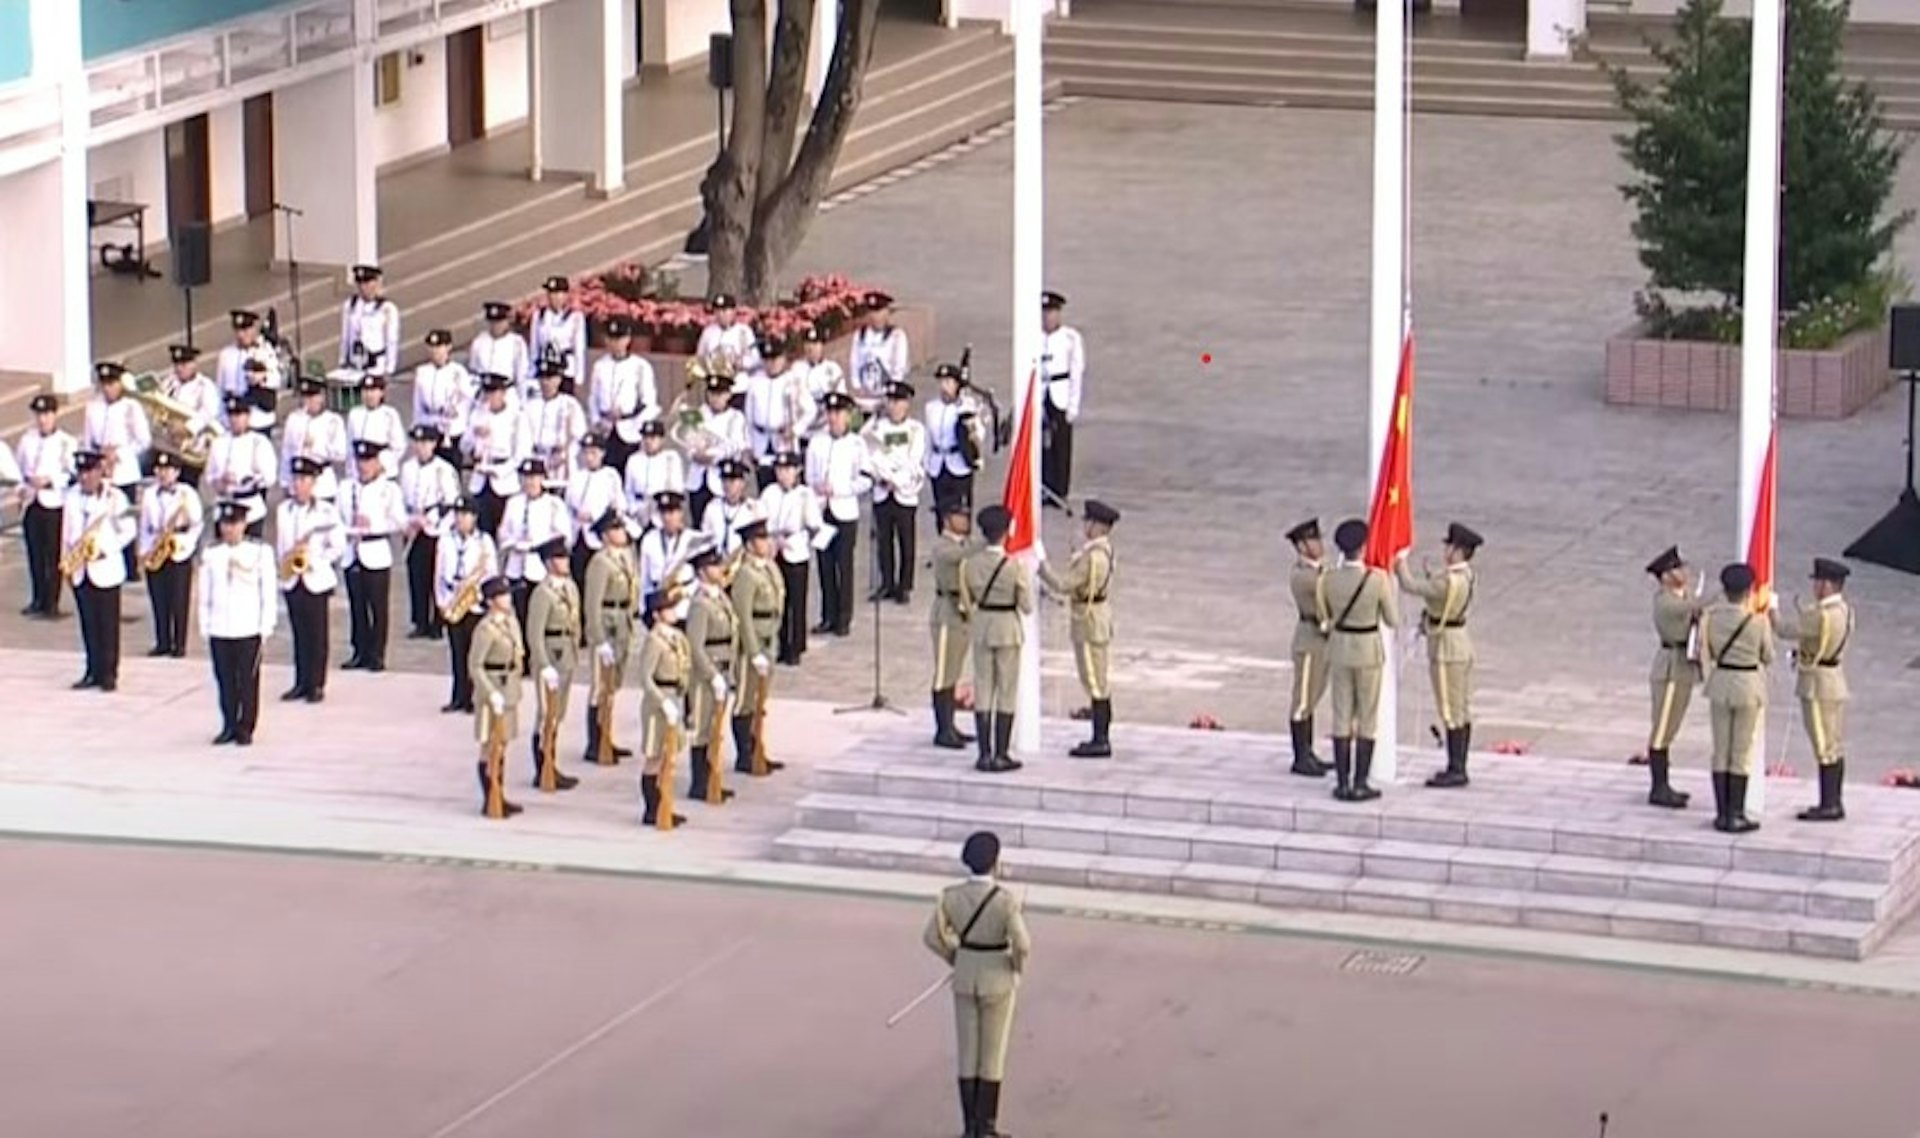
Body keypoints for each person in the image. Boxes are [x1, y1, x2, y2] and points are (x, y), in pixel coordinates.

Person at [922, 830, 1031, 1138]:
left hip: (965, 977)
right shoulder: (1006, 901)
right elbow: (1023, 944)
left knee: (967, 1054)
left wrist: (956, 958)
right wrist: (1016, 967)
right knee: (991, 1055)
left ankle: (969, 1127)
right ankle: (987, 1127)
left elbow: (931, 937)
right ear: (995, 862)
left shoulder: (950, 896)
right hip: (998, 978)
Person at [1395, 522, 1483, 788]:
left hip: (1446, 648)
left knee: (1449, 709)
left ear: (1458, 551)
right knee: (1461, 707)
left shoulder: (1447, 581)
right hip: (1460, 643)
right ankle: (1458, 764)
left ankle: (1456, 768)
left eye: (1450, 547)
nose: (1446, 551)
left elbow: (1410, 586)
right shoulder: (1465, 575)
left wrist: (1399, 562)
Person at [1772, 557, 1854, 823]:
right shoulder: (1845, 611)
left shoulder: (1819, 615)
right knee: (1834, 743)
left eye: (1818, 582)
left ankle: (1829, 804)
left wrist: (1772, 609)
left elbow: (1784, 629)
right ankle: (1834, 800)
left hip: (1817, 683)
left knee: (1823, 744)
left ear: (1827, 585)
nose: (1815, 587)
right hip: (1835, 679)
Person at [1325, 518, 1398, 802]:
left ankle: (1342, 782)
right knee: (1367, 716)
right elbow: (1391, 619)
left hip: (1340, 648)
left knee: (1341, 714)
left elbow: (1324, 613)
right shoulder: (1376, 580)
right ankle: (1360, 782)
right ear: (1363, 547)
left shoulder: (1329, 579)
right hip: (1367, 649)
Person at [1039, 499, 1119, 758]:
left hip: (1088, 620)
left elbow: (1064, 584)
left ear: (1098, 526)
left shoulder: (1092, 557)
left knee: (1094, 681)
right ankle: (1100, 736)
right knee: (1098, 679)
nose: (1085, 526)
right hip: (1098, 617)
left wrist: (1041, 567)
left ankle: (1100, 739)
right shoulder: (1103, 551)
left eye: (1089, 522)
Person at [1699, 562, 1775, 834]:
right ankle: (1736, 813)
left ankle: (1721, 812)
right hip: (1748, 685)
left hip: (1720, 682)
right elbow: (1768, 656)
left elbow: (1706, 651)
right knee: (1741, 751)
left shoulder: (1711, 618)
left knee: (1721, 750)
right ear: (1749, 591)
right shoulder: (1758, 622)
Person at [197, 501, 277, 746]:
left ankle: (246, 726)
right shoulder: (212, 554)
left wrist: (266, 625)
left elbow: (268, 591)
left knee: (247, 680)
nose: (229, 529)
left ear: (244, 525)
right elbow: (205, 592)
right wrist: (205, 624)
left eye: (234, 524)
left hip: (248, 626)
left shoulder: (259, 552)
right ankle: (229, 723)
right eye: (225, 524)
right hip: (220, 626)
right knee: (225, 680)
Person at [961, 505, 1033, 774]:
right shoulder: (1014, 567)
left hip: (982, 626)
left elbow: (967, 601)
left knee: (983, 688)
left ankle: (984, 753)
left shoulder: (970, 564)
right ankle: (1001, 752)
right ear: (1005, 533)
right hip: (1007, 628)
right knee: (1006, 690)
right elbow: (1027, 605)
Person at [61, 451, 136, 692]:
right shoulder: (72, 496)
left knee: (108, 623)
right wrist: (67, 562)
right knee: (88, 622)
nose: (84, 478)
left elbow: (129, 530)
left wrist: (106, 549)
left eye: (89, 472)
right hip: (81, 568)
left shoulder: (115, 498)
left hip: (105, 568)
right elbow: (66, 531)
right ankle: (92, 670)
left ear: (99, 472)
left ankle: (109, 673)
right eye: (81, 473)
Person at [275, 457, 347, 703]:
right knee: (299, 633)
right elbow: (281, 544)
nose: (298, 484)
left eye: (304, 479)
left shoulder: (326, 511)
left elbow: (337, 546)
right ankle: (301, 681)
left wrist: (314, 559)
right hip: (292, 577)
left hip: (315, 578)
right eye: (296, 479)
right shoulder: (284, 510)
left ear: (313, 482)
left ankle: (316, 683)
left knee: (317, 634)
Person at [1644, 545, 1707, 809]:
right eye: (1678, 568)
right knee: (1663, 727)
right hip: (1670, 667)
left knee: (1672, 724)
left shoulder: (1684, 595)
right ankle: (1658, 787)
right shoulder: (1666, 602)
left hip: (1683, 666)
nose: (1684, 572)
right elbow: (1694, 609)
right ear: (1666, 576)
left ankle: (1664, 784)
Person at [338, 440, 407, 671]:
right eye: (360, 461)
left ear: (377, 462)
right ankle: (359, 650)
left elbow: (399, 522)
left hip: (376, 549)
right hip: (352, 549)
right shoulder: (346, 488)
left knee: (377, 606)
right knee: (357, 605)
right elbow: (336, 520)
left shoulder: (389, 489)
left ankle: (377, 653)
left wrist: (373, 525)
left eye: (368, 461)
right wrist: (351, 527)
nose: (363, 466)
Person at [807, 392, 871, 636]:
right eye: (830, 413)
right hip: (822, 509)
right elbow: (810, 475)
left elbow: (865, 480)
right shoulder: (817, 442)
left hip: (844, 510)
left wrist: (839, 489)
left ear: (847, 416)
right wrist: (817, 487)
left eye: (838, 413)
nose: (833, 417)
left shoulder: (857, 444)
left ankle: (844, 617)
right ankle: (828, 615)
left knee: (844, 565)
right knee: (824, 564)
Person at [84, 362, 152, 582]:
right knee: (104, 516)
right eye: (104, 384)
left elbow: (143, 440)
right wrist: (99, 457)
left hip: (124, 470)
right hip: (102, 468)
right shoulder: (93, 407)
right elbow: (89, 439)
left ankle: (130, 565)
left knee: (125, 517)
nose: (108, 389)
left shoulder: (131, 407)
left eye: (112, 384)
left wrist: (120, 453)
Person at [759, 449, 829, 664]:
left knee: (797, 601)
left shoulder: (804, 494)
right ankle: (781, 643)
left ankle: (796, 645)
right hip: (774, 550)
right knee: (778, 601)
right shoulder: (769, 493)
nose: (783, 474)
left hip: (796, 550)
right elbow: (761, 519)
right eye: (780, 470)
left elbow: (814, 523)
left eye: (787, 470)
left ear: (796, 471)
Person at [524, 538, 583, 792]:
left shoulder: (570, 587)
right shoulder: (542, 592)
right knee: (546, 713)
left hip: (566, 653)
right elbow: (534, 632)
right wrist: (543, 663)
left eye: (566, 557)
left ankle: (551, 762)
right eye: (559, 558)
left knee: (558, 713)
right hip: (549, 652)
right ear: (549, 563)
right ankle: (542, 767)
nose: (565, 562)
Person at [584, 508, 640, 764]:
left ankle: (607, 734)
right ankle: (595, 742)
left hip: (622, 621)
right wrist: (598, 639)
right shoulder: (600, 562)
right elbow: (592, 604)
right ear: (606, 535)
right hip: (606, 621)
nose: (622, 533)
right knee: (600, 685)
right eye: (616, 529)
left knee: (614, 683)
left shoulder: (625, 557)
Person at [729, 519, 785, 776]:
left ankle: (757, 749)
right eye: (761, 539)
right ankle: (745, 754)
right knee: (745, 699)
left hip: (769, 636)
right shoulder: (745, 573)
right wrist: (753, 652)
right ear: (750, 545)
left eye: (766, 538)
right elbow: (742, 614)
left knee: (760, 698)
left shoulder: (769, 567)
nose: (766, 543)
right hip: (752, 642)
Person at [865, 380, 929, 604]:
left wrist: (896, 480)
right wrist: (883, 477)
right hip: (882, 489)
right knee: (884, 540)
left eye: (898, 402)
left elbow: (914, 460)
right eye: (890, 402)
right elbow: (871, 454)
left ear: (907, 404)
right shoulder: (879, 427)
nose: (893, 407)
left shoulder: (915, 429)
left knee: (906, 540)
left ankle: (905, 585)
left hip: (904, 490)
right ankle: (887, 583)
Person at [685, 542, 740, 802]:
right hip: (706, 675)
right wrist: (712, 675)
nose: (720, 569)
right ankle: (699, 783)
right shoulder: (700, 603)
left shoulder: (719, 597)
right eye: (714, 566)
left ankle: (712, 777)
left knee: (715, 727)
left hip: (723, 667)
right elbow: (695, 646)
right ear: (702, 571)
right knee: (702, 727)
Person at [136, 451, 204, 658]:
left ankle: (179, 644)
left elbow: (197, 523)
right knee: (159, 597)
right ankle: (162, 641)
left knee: (179, 598)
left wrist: (186, 544)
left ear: (177, 473)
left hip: (178, 549)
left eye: (168, 470)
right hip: (156, 547)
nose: (163, 474)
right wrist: (144, 551)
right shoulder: (149, 494)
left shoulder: (187, 493)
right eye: (160, 470)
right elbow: (145, 525)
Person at [469, 576, 526, 819]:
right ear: (491, 601)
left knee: (502, 744)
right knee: (489, 746)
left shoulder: (511, 622)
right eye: (502, 595)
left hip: (509, 687)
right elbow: (475, 665)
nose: (508, 598)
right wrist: (490, 692)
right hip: (492, 690)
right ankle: (489, 797)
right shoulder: (485, 629)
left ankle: (499, 794)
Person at [16, 393, 77, 618]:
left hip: (54, 501)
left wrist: (50, 481)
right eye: (39, 415)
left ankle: (51, 601)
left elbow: (71, 474)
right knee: (35, 553)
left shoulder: (65, 442)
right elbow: (19, 469)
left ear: (54, 415)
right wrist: (22, 488)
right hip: (32, 500)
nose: (42, 419)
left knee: (52, 554)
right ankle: (38, 597)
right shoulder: (27, 440)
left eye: (47, 415)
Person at [639, 577, 694, 828]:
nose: (673, 612)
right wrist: (663, 702)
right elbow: (646, 678)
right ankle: (652, 809)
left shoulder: (675, 637)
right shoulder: (654, 640)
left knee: (668, 755)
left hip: (673, 696)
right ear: (657, 615)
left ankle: (664, 805)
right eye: (668, 608)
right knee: (654, 756)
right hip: (657, 702)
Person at [434, 498, 497, 714]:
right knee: (457, 651)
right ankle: (458, 696)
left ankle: (474, 696)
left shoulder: (484, 541)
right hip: (453, 598)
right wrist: (441, 600)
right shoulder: (446, 540)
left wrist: (479, 594)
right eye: (458, 514)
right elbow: (439, 572)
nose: (461, 519)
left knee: (474, 652)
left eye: (465, 514)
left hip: (473, 601)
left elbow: (490, 571)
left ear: (474, 518)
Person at [400, 424, 462, 640]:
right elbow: (404, 498)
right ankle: (420, 620)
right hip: (415, 525)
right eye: (417, 443)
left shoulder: (443, 469)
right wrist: (409, 521)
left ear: (434, 444)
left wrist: (434, 521)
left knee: (436, 574)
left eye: (425, 443)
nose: (420, 447)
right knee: (416, 573)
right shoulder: (407, 468)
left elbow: (451, 502)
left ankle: (437, 621)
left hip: (436, 527)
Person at [1284, 518, 1333, 778]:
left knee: (1312, 696)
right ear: (1301, 547)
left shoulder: (1321, 571)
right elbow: (1325, 593)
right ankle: (1300, 757)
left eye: (1318, 539)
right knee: (1302, 699)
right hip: (1310, 639)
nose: (1318, 545)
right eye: (1312, 541)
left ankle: (1309, 752)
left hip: (1322, 641)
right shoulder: (1303, 576)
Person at [928, 498, 977, 749]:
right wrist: (990, 540)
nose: (965, 520)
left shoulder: (966, 544)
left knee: (955, 670)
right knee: (944, 672)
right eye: (960, 516)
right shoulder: (943, 546)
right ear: (947, 520)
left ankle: (951, 725)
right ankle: (942, 729)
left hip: (963, 610)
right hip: (947, 611)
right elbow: (960, 557)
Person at [499, 457, 570, 627]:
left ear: (542, 478)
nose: (529, 482)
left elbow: (563, 537)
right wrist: (513, 543)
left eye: (533, 478)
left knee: (540, 616)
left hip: (540, 566)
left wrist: (536, 544)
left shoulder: (553, 504)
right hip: (517, 564)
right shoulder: (513, 503)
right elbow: (503, 532)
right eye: (525, 478)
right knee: (521, 614)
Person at [589, 318, 659, 473]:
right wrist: (597, 422)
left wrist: (638, 426)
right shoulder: (600, 366)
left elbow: (649, 402)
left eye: (619, 339)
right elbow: (593, 398)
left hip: (630, 429)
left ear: (627, 339)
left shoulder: (640, 366)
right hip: (606, 428)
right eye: (611, 339)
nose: (615, 343)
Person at [463, 372, 527, 537]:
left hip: (504, 479)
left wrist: (501, 470)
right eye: (487, 392)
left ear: (503, 393)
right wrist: (474, 437)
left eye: (494, 392)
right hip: (481, 478)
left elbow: (521, 453)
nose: (489, 397)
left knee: (506, 530)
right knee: (482, 530)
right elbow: (464, 445)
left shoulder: (516, 417)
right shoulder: (478, 414)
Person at [744, 336, 815, 485]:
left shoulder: (793, 380)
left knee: (788, 488)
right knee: (766, 488)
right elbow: (748, 417)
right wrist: (749, 445)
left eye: (775, 359)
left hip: (784, 441)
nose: (771, 364)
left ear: (783, 358)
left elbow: (810, 410)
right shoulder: (754, 383)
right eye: (767, 359)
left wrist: (795, 430)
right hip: (761, 442)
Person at [683, 371, 749, 525]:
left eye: (720, 394)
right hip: (698, 479)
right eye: (712, 394)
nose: (715, 398)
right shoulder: (697, 413)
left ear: (728, 395)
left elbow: (737, 444)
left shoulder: (735, 417)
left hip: (721, 479)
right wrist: (694, 454)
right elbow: (688, 441)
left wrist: (712, 455)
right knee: (698, 522)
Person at [204, 396, 275, 538]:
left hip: (249, 508)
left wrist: (247, 480)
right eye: (231, 415)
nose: (234, 420)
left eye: (239, 415)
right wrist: (218, 482)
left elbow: (269, 477)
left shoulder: (259, 442)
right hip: (224, 505)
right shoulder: (219, 442)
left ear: (248, 416)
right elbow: (209, 474)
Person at [1039, 290, 1085, 506]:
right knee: (1040, 442)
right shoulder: (1034, 336)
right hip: (1040, 390)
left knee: (1061, 442)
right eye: (1044, 312)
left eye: (1051, 312)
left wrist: (1073, 404)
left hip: (1060, 390)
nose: (1047, 317)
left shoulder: (1070, 338)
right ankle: (1043, 485)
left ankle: (1060, 488)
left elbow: (1077, 371)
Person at [567, 431, 627, 590]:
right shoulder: (576, 477)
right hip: (578, 534)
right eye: (586, 453)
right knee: (579, 577)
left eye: (593, 453)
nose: (589, 457)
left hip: (599, 536)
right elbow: (568, 505)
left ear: (602, 453)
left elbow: (618, 506)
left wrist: (595, 516)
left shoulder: (610, 476)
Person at [924, 363, 978, 523]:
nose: (944, 387)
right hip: (938, 465)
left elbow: (975, 435)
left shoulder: (966, 406)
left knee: (959, 513)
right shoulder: (931, 407)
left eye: (948, 382)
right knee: (942, 511)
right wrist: (926, 463)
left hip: (959, 463)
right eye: (941, 382)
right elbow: (928, 437)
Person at [413, 328, 475, 468]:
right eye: (432, 347)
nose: (435, 351)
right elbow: (418, 403)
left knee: (451, 467)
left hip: (451, 428)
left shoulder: (458, 372)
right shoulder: (422, 372)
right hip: (429, 424)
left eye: (439, 347)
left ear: (448, 347)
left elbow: (467, 400)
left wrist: (457, 416)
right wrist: (418, 424)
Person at [524, 358, 587, 493]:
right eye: (542, 378)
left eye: (550, 378)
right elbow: (523, 437)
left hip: (561, 462)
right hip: (536, 460)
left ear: (559, 379)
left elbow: (579, 436)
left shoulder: (570, 404)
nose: (545, 382)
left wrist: (564, 454)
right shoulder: (529, 406)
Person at [280, 377, 348, 501]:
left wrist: (317, 447)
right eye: (305, 397)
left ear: (321, 397)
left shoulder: (333, 421)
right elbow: (287, 451)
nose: (308, 402)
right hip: (298, 483)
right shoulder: (294, 418)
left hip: (322, 482)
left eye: (312, 397)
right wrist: (285, 481)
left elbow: (341, 454)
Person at [162, 344, 221, 486]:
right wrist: (167, 424)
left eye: (184, 364)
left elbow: (209, 412)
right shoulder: (169, 383)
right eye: (176, 365)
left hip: (193, 447)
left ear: (194, 364)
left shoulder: (204, 386)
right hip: (171, 445)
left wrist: (187, 428)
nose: (179, 369)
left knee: (187, 487)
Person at [849, 291, 908, 411]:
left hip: (887, 398)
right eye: (872, 312)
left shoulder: (896, 336)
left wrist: (890, 394)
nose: (875, 317)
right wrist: (857, 387)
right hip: (863, 399)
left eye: (879, 312)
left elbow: (899, 369)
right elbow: (854, 363)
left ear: (887, 313)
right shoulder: (860, 335)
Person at [622, 419, 684, 530]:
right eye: (645, 437)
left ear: (661, 439)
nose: (648, 442)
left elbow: (677, 488)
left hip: (661, 511)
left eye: (653, 438)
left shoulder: (670, 458)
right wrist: (634, 509)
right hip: (639, 512)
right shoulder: (633, 460)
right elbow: (628, 490)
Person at [639, 490, 696, 610]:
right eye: (663, 513)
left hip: (684, 603)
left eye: (671, 512)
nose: (667, 518)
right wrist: (644, 609)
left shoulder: (693, 539)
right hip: (657, 601)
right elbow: (644, 579)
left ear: (680, 513)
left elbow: (699, 580)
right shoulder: (649, 539)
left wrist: (680, 610)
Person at [531, 275, 587, 396]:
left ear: (565, 295)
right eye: (551, 293)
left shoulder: (574, 317)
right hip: (545, 368)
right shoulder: (539, 316)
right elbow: (534, 347)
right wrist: (532, 371)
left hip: (566, 369)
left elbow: (579, 348)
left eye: (557, 293)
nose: (553, 297)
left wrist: (579, 377)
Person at [340, 264, 400, 377]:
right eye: (360, 283)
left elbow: (391, 340)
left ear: (376, 283)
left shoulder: (386, 308)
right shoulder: (350, 305)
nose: (363, 287)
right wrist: (342, 360)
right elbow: (345, 335)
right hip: (354, 364)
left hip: (376, 366)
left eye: (367, 283)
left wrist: (389, 368)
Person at [470, 300, 532, 403]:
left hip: (507, 394)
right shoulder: (479, 342)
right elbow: (474, 372)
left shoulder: (516, 343)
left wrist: (522, 401)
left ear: (507, 321)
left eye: (499, 322)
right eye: (492, 322)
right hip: (483, 394)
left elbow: (521, 375)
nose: (495, 326)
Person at [347, 373, 406, 481]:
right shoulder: (354, 414)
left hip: (383, 473)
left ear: (381, 393)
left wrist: (383, 465)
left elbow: (399, 446)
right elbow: (350, 445)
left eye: (373, 390)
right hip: (360, 473)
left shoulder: (389, 414)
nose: (369, 395)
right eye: (365, 390)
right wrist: (351, 471)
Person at [216, 309, 282, 407]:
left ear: (253, 329)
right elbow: (220, 387)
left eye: (245, 331)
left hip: (258, 412)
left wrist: (263, 377)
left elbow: (278, 379)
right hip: (233, 411)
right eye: (238, 331)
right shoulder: (226, 354)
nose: (241, 335)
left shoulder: (265, 351)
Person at [701, 459, 759, 557]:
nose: (727, 485)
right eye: (724, 480)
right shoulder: (712, 507)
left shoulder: (752, 509)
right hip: (717, 560)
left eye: (732, 481)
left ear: (742, 483)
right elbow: (705, 538)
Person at [696, 293, 758, 372]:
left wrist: (740, 363)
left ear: (734, 311)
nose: (720, 314)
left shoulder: (744, 331)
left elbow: (755, 359)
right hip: (714, 374)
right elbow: (699, 357)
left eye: (724, 311)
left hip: (738, 375)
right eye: (717, 311)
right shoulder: (708, 332)